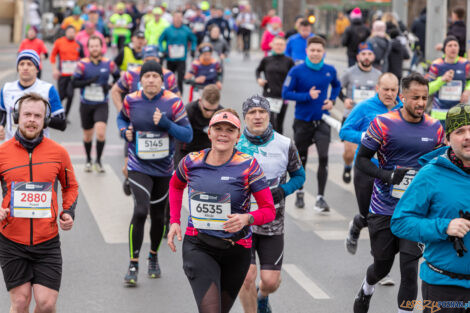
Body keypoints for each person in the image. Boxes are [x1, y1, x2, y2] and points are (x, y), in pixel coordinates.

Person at [167, 108, 275, 313]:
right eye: (218, 128)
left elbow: (269, 210)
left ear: (237, 136)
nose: (223, 133)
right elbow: (175, 185)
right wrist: (174, 220)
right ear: (209, 133)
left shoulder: (248, 166)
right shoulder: (191, 161)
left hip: (236, 250)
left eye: (229, 129)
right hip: (198, 246)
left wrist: (246, 218)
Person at [352, 73, 445, 313]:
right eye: (415, 97)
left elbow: (439, 165)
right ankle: (366, 287)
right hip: (383, 207)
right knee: (381, 267)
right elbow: (361, 160)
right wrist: (387, 176)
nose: (421, 103)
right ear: (402, 97)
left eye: (425, 98)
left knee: (410, 270)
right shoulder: (382, 123)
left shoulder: (435, 128)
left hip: (416, 212)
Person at [0, 92, 78, 313]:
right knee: (20, 302)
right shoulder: (2, 152)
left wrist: (68, 211)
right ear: (17, 116)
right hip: (11, 240)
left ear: (45, 120)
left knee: (46, 304)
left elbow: (70, 185)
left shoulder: (58, 152)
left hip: (47, 241)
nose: (32, 120)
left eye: (37, 115)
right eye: (27, 115)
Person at [117, 60, 193, 285]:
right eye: (147, 76)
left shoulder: (173, 102)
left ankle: (153, 257)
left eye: (155, 76)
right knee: (141, 211)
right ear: (141, 80)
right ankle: (133, 262)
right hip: (138, 166)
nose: (151, 80)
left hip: (163, 169)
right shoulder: (131, 100)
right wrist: (124, 131)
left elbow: (187, 135)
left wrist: (167, 124)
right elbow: (122, 118)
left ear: (162, 80)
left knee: (159, 216)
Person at [391, 104, 470, 313]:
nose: (468, 136)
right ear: (447, 139)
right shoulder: (430, 175)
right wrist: (444, 227)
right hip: (444, 289)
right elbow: (400, 222)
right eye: (460, 131)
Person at [237, 96, 305, 313]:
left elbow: (299, 177)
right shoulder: (235, 146)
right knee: (246, 278)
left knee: (270, 282)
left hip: (272, 224)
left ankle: (263, 295)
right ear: (245, 117)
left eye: (262, 112)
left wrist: (282, 191)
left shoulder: (285, 144)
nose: (257, 117)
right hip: (241, 224)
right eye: (252, 113)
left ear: (269, 115)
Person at [341, 73, 401, 254]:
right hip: (367, 167)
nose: (390, 93)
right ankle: (357, 225)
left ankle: (381, 262)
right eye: (386, 89)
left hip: (391, 170)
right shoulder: (365, 108)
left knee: (387, 217)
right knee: (369, 216)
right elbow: (344, 132)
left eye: (393, 89)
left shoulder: (402, 109)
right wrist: (366, 138)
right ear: (377, 88)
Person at [282, 36, 341, 212]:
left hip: (322, 121)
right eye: (312, 50)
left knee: (324, 157)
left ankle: (320, 198)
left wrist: (331, 100)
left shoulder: (329, 70)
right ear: (307, 51)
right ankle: (300, 191)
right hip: (302, 121)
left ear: (323, 52)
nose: (315, 53)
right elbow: (286, 93)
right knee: (301, 159)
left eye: (319, 50)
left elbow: (337, 86)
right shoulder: (296, 71)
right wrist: (307, 96)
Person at [111, 45, 179, 195]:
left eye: (154, 59)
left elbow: (177, 97)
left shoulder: (168, 76)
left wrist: (174, 116)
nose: (150, 61)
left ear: (158, 59)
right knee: (128, 166)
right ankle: (133, 180)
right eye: (147, 59)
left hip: (160, 126)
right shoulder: (131, 74)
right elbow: (115, 90)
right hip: (137, 126)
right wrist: (122, 110)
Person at [72, 36, 120, 173]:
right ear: (88, 48)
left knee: (100, 133)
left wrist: (109, 86)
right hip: (86, 104)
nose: (94, 49)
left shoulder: (109, 63)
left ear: (101, 47)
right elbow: (74, 83)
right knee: (87, 135)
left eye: (96, 46)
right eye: (91, 46)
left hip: (101, 103)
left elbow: (118, 77)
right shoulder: (82, 64)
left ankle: (98, 161)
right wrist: (88, 82)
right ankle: (88, 159)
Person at [0, 50, 66, 141]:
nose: (25, 68)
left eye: (29, 64)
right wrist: (1, 126)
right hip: (13, 145)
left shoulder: (48, 89)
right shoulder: (6, 89)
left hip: (40, 146)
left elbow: (62, 124)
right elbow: (2, 112)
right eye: (22, 64)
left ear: (37, 69)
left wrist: (41, 118)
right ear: (18, 68)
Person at [339, 42, 381, 184]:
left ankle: (363, 176)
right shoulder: (349, 72)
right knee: (349, 152)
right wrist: (344, 99)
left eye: (369, 54)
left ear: (373, 56)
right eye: (363, 54)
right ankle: (347, 165)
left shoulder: (378, 75)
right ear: (358, 57)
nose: (366, 57)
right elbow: (337, 88)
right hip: (352, 117)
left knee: (366, 151)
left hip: (370, 119)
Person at [426, 36, 470, 127]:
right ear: (444, 49)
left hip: (460, 112)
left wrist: (467, 90)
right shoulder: (436, 64)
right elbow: (427, 88)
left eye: (455, 45)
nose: (453, 48)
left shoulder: (465, 63)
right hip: (439, 113)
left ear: (459, 48)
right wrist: (441, 80)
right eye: (449, 45)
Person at [174, 84, 222, 166]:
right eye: (206, 109)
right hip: (187, 151)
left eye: (213, 110)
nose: (209, 113)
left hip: (208, 152)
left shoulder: (221, 113)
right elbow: (178, 139)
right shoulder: (189, 111)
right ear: (200, 101)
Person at [256, 36, 294, 134]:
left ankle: (279, 145)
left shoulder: (289, 61)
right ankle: (270, 144)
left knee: (279, 123)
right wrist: (259, 79)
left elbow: (294, 76)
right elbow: (258, 70)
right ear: (272, 45)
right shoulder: (266, 59)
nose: (279, 46)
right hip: (268, 95)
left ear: (285, 47)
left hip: (283, 96)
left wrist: (292, 88)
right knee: (271, 122)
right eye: (277, 44)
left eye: (281, 45)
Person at [159, 11, 197, 94]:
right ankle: (169, 95)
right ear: (173, 18)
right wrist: (162, 50)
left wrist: (193, 49)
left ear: (182, 18)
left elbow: (194, 40)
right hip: (170, 59)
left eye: (179, 17)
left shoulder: (186, 30)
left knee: (180, 79)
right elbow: (160, 40)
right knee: (169, 79)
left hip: (181, 59)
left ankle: (180, 96)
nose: (177, 19)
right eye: (176, 17)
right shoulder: (168, 30)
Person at [50, 25, 84, 119]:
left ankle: (66, 115)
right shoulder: (59, 42)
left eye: (73, 32)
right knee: (61, 95)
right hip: (62, 74)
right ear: (66, 33)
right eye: (69, 32)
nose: (71, 34)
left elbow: (83, 59)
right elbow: (52, 56)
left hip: (73, 75)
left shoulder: (78, 45)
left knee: (70, 95)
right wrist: (54, 70)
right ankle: (56, 112)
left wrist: (80, 70)